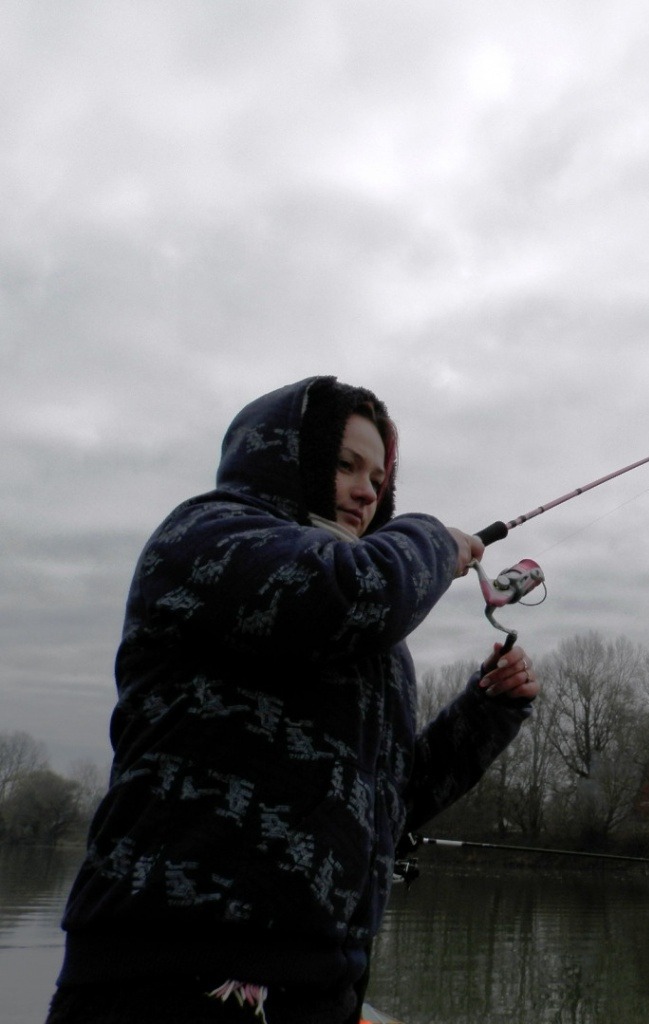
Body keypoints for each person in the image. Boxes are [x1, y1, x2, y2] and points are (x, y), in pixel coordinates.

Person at [46, 377, 539, 1024]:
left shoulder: (370, 632)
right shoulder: (210, 534)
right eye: (345, 465)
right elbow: (349, 594)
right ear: (288, 458)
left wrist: (488, 710)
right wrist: (431, 538)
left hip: (320, 985)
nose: (369, 490)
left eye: (380, 478)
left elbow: (388, 801)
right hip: (171, 978)